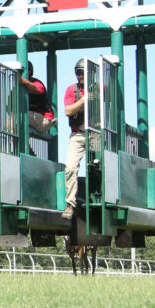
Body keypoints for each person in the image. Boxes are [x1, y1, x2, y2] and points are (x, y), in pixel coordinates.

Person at [62, 58, 88, 218]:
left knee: (101, 167)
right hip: (77, 134)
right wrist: (84, 101)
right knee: (70, 168)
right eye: (78, 73)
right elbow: (68, 111)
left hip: (96, 134)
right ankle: (70, 204)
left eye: (82, 72)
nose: (80, 76)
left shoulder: (100, 88)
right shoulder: (71, 90)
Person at [19, 61, 55, 135]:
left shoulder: (37, 83)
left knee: (20, 117)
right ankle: (15, 142)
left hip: (44, 119)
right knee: (10, 122)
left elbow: (36, 89)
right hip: (31, 119)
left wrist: (23, 81)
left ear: (29, 72)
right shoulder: (17, 88)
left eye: (21, 71)